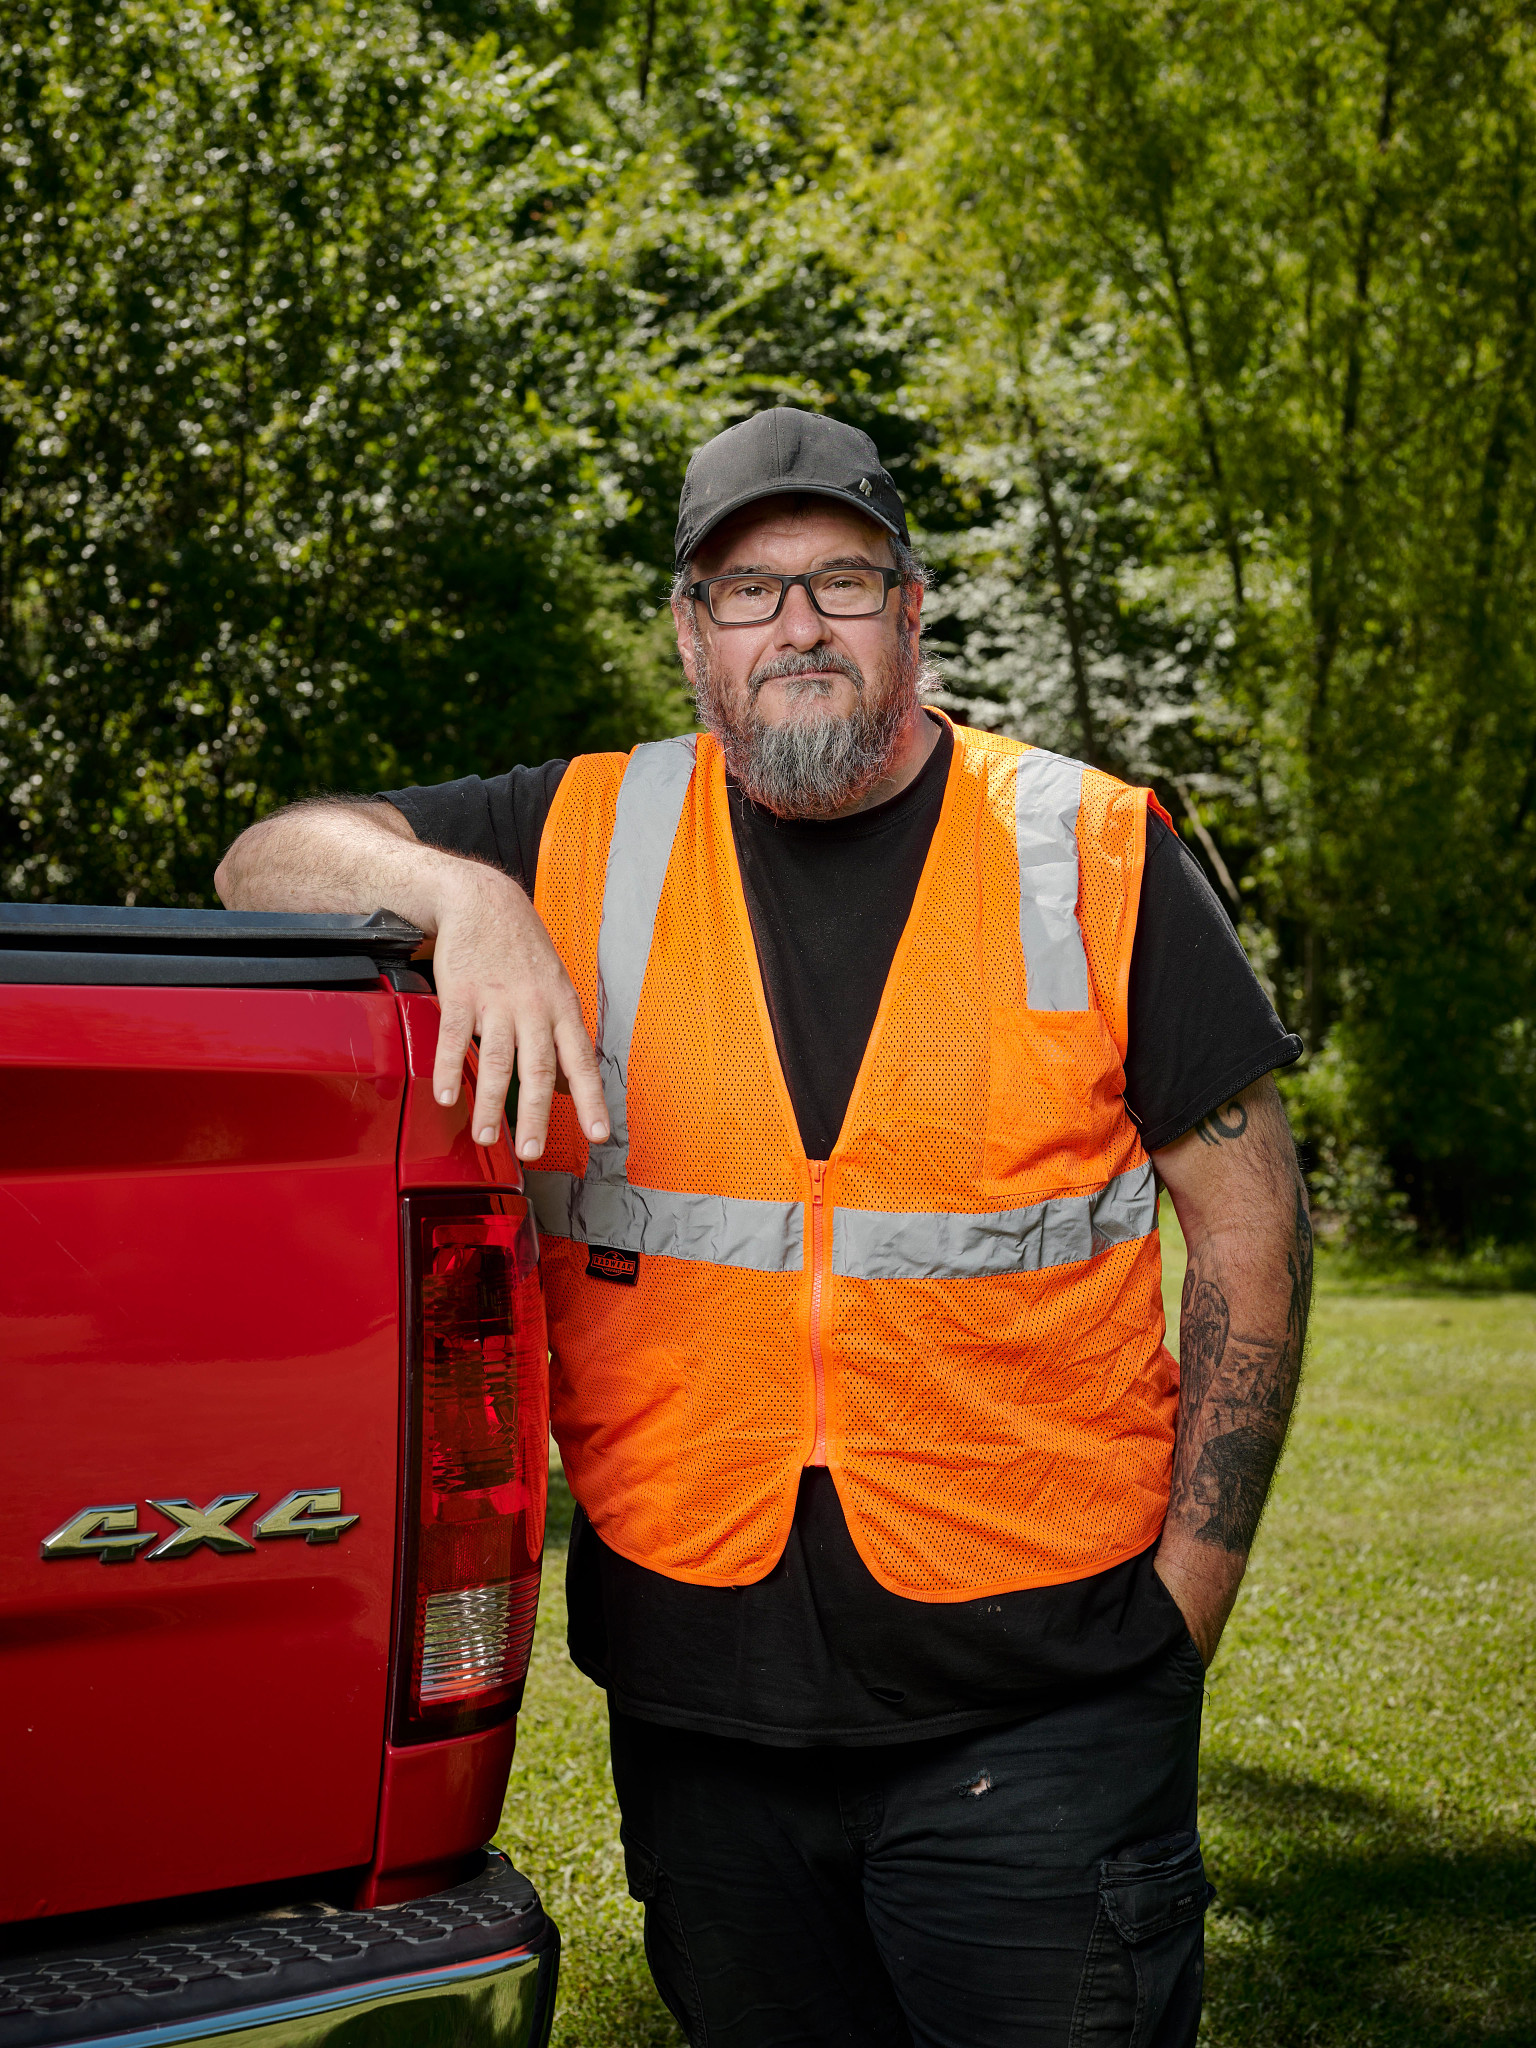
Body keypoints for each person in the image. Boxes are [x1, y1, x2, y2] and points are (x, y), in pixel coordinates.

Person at [217, 407, 1310, 2048]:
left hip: (1046, 1718)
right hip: (702, 1725)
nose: (797, 622)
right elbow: (259, 862)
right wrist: (464, 898)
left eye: (843, 580)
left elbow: (1251, 1230)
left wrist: (1186, 1605)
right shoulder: (575, 833)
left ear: (912, 609)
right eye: (747, 589)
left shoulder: (1084, 846)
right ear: (688, 631)